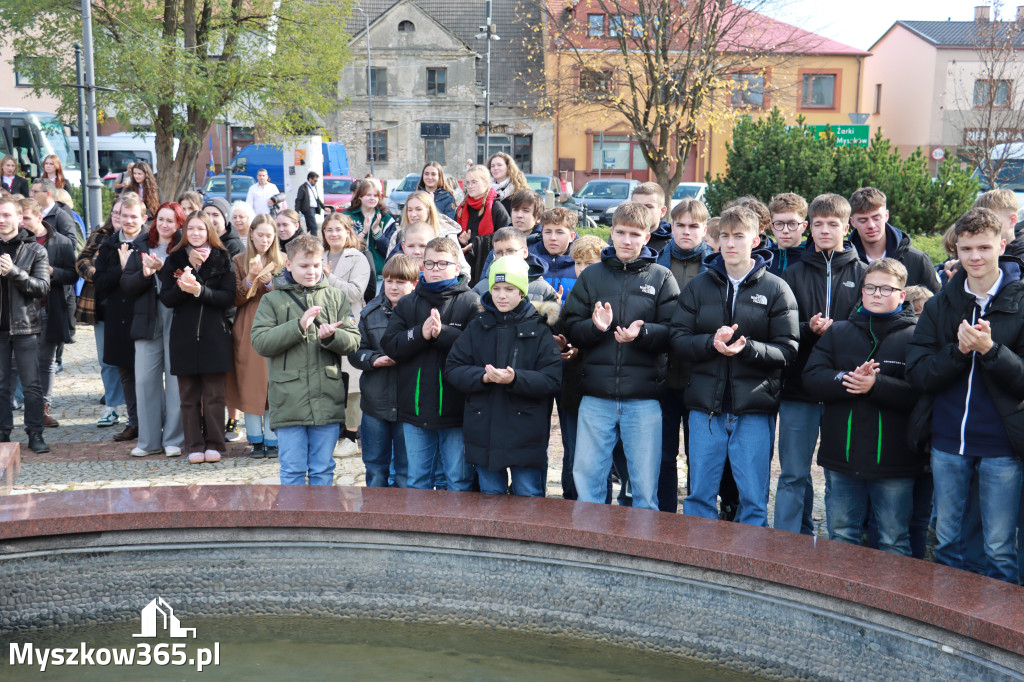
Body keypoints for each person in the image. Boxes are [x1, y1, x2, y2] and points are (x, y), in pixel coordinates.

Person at [906, 207, 1024, 584]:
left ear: (1001, 246)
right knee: (947, 542)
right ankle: (947, 616)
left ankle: (997, 620)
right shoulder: (940, 304)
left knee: (999, 547)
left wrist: (991, 351)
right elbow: (918, 372)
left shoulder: (1021, 302)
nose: (975, 257)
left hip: (1002, 444)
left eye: (984, 248)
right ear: (956, 249)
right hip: (948, 441)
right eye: (967, 248)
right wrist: (958, 352)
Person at [672, 206, 798, 525]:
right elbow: (678, 340)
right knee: (699, 495)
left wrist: (747, 349)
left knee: (753, 499)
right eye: (725, 236)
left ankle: (749, 554)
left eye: (739, 236)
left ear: (755, 240)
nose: (730, 243)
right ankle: (699, 552)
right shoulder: (698, 287)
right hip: (705, 409)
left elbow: (788, 350)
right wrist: (710, 342)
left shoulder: (776, 289)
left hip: (754, 408)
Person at [561, 202, 680, 511]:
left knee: (644, 489)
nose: (627, 240)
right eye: (622, 233)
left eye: (635, 234)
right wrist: (595, 328)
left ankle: (642, 538)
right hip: (596, 396)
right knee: (589, 485)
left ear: (647, 236)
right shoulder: (592, 276)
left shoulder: (662, 277)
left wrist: (643, 334)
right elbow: (570, 326)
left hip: (644, 398)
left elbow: (675, 332)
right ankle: (590, 536)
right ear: (611, 233)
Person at [804, 258, 922, 554]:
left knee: (894, 539)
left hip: (894, 460)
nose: (876, 294)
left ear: (901, 295)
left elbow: (921, 392)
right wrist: (848, 379)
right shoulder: (838, 331)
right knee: (842, 534)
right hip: (842, 455)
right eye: (870, 287)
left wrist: (876, 385)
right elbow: (812, 377)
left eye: (885, 289)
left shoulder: (916, 336)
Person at [776, 193, 866, 535]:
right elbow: (780, 327)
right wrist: (807, 328)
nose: (825, 230)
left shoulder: (864, 274)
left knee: (839, 475)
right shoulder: (792, 274)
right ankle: (787, 541)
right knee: (793, 473)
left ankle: (838, 544)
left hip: (843, 390)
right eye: (818, 224)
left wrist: (838, 330)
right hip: (798, 388)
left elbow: (869, 328)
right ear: (809, 228)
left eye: (833, 224)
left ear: (847, 227)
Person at [446, 256, 562, 497]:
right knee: (490, 496)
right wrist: (482, 377)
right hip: (484, 429)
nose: (501, 295)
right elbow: (453, 368)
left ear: (522, 292)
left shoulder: (539, 328)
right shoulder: (477, 326)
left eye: (509, 289)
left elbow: (551, 379)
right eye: (496, 288)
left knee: (527, 495)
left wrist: (515, 379)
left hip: (525, 431)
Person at [250, 234, 360, 485]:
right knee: (292, 470)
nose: (311, 271)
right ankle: (293, 513)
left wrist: (333, 337)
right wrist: (298, 327)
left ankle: (322, 513)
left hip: (327, 399)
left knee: (323, 470)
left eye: (316, 264)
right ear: (288, 264)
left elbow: (354, 341)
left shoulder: (336, 297)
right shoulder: (271, 300)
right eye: (304, 265)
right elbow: (260, 342)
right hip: (289, 400)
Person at [381, 237, 480, 491]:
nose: (435, 269)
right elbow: (391, 344)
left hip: (456, 412)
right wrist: (420, 334)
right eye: (430, 263)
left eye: (442, 264)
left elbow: (478, 349)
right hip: (415, 409)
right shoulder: (408, 303)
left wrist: (442, 334)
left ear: (456, 268)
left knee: (458, 480)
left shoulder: (471, 302)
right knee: (417, 481)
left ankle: (456, 519)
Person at [158, 211, 235, 464]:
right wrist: (183, 285)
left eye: (201, 229)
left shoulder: (222, 257)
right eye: (191, 229)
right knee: (188, 397)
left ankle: (215, 443)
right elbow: (167, 298)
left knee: (214, 396)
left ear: (209, 231)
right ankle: (194, 445)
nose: (196, 233)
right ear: (184, 232)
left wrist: (200, 290)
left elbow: (228, 297)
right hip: (184, 336)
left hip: (214, 335)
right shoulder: (175, 259)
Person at [656, 197, 712, 514]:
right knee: (663, 452)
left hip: (700, 373)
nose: (686, 231)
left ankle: (695, 516)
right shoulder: (655, 264)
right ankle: (664, 515)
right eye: (680, 225)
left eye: (694, 226)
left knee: (699, 454)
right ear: (671, 227)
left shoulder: (716, 267)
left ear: (704, 229)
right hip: (661, 372)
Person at [119, 202, 186, 458]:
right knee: (145, 381)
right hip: (147, 319)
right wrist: (145, 275)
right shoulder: (141, 245)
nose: (165, 225)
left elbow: (186, 277)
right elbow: (127, 284)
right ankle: (148, 441)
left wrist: (163, 269)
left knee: (176, 381)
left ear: (179, 224)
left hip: (176, 316)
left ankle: (174, 439)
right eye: (161, 219)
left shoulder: (183, 247)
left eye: (171, 220)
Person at [351, 254, 419, 487]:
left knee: (406, 470)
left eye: (400, 282)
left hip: (409, 403)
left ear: (414, 283)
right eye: (389, 281)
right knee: (375, 468)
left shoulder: (421, 312)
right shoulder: (370, 313)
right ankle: (375, 509)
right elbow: (356, 351)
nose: (393, 287)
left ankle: (403, 511)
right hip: (375, 402)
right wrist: (373, 359)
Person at [226, 213, 284, 458]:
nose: (265, 240)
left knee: (273, 381)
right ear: (251, 234)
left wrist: (270, 284)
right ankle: (255, 438)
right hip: (248, 321)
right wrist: (250, 278)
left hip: (276, 322)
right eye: (260, 235)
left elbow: (290, 292)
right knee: (250, 381)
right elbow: (235, 298)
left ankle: (273, 437)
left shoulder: (283, 260)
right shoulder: (239, 260)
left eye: (269, 236)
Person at [95, 195, 148, 444]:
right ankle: (134, 423)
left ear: (143, 218)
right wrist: (121, 267)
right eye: (124, 216)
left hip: (144, 314)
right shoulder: (109, 245)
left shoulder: (150, 242)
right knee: (126, 374)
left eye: (133, 217)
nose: (128, 221)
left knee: (147, 375)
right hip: (118, 317)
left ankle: (153, 422)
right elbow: (100, 283)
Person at [18, 199, 75, 430]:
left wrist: (52, 271)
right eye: (19, 218)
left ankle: (43, 408)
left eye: (26, 218)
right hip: (20, 309)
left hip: (48, 307)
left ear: (39, 217)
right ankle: (25, 405)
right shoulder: (16, 241)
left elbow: (72, 275)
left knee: (46, 360)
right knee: (17, 361)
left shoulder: (61, 241)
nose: (22, 223)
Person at [554, 235, 604, 500]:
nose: (583, 269)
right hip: (573, 383)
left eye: (590, 263)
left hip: (599, 382)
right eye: (578, 263)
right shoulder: (572, 295)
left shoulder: (608, 293)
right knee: (571, 447)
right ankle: (570, 498)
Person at [0, 197, 50, 452]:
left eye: (6, 215)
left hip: (26, 326)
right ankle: (2, 433)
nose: (1, 220)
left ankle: (35, 434)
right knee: (1, 385)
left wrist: (14, 272)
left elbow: (42, 287)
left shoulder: (35, 250)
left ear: (19, 218)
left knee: (31, 385)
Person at [76, 199, 126, 427]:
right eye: (115, 213)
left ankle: (134, 407)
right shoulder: (100, 235)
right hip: (102, 304)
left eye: (123, 213)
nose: (119, 217)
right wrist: (96, 274)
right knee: (106, 359)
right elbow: (81, 260)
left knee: (133, 359)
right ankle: (112, 405)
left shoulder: (142, 238)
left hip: (131, 306)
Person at [848, 187, 940, 293]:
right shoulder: (844, 263)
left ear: (886, 215)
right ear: (853, 222)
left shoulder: (918, 260)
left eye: (876, 218)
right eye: (863, 220)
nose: (871, 225)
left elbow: (937, 300)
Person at [471, 227, 558, 304]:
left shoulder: (543, 290)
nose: (504, 256)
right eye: (499, 252)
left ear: (524, 252)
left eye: (511, 251)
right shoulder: (480, 289)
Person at [457, 165, 510, 287]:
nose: (470, 186)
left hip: (489, 266)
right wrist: (462, 241)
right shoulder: (462, 208)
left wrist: (476, 243)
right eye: (468, 183)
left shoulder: (496, 208)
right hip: (465, 268)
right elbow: (453, 235)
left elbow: (505, 236)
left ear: (486, 183)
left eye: (474, 182)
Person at [321, 213, 371, 316]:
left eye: (338, 229)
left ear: (347, 232)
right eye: (329, 230)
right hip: (321, 318)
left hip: (347, 318)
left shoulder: (358, 258)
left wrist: (328, 277)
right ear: (324, 233)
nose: (334, 234)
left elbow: (354, 294)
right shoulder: (317, 257)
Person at [529, 207, 578, 301]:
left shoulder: (582, 263)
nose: (553, 238)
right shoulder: (529, 260)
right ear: (542, 233)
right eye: (548, 232)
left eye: (560, 232)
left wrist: (560, 306)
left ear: (572, 236)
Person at [767, 193, 808, 276]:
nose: (785, 230)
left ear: (804, 226)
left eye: (792, 224)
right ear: (772, 227)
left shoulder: (813, 259)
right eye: (779, 224)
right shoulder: (763, 259)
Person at [631, 182, 672, 254]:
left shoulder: (673, 244)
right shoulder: (620, 236)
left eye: (648, 207)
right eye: (637, 206)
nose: (641, 211)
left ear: (662, 211)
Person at [294, 171, 325, 236]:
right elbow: (298, 199)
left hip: (314, 209)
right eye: (315, 180)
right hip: (308, 209)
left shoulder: (314, 187)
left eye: (316, 181)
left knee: (310, 227)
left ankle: (310, 238)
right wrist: (297, 210)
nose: (316, 182)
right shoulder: (303, 187)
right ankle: (315, 239)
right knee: (314, 226)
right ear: (310, 179)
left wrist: (324, 207)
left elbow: (317, 198)